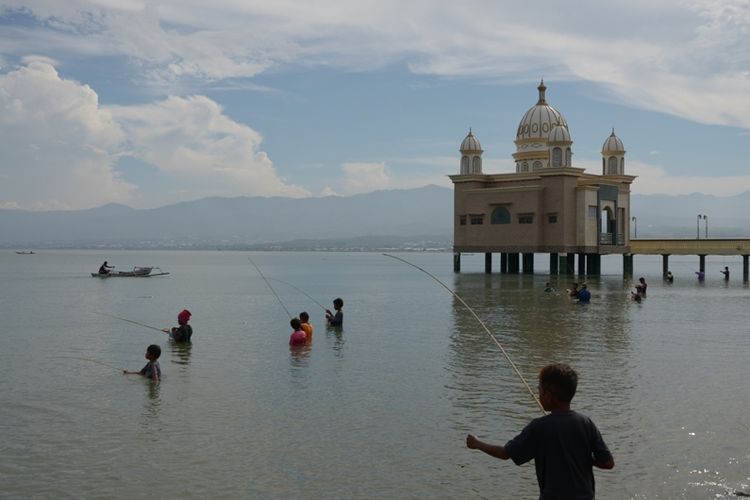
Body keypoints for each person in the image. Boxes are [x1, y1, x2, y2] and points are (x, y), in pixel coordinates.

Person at [466, 363, 614, 499]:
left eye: (540, 390)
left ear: (548, 396)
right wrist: (584, 457)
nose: (538, 394)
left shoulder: (539, 427)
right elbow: (608, 463)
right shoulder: (586, 423)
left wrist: (477, 443)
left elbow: (505, 453)